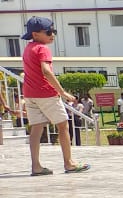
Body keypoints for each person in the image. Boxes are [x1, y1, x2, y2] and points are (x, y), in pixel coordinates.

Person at [21, 16, 88, 176]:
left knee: (36, 128)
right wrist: (62, 92)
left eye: (53, 31)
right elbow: (46, 71)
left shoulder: (28, 49)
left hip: (30, 94)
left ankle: (36, 166)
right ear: (36, 34)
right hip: (46, 93)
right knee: (63, 125)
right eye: (48, 32)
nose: (52, 35)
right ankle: (69, 163)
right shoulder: (42, 48)